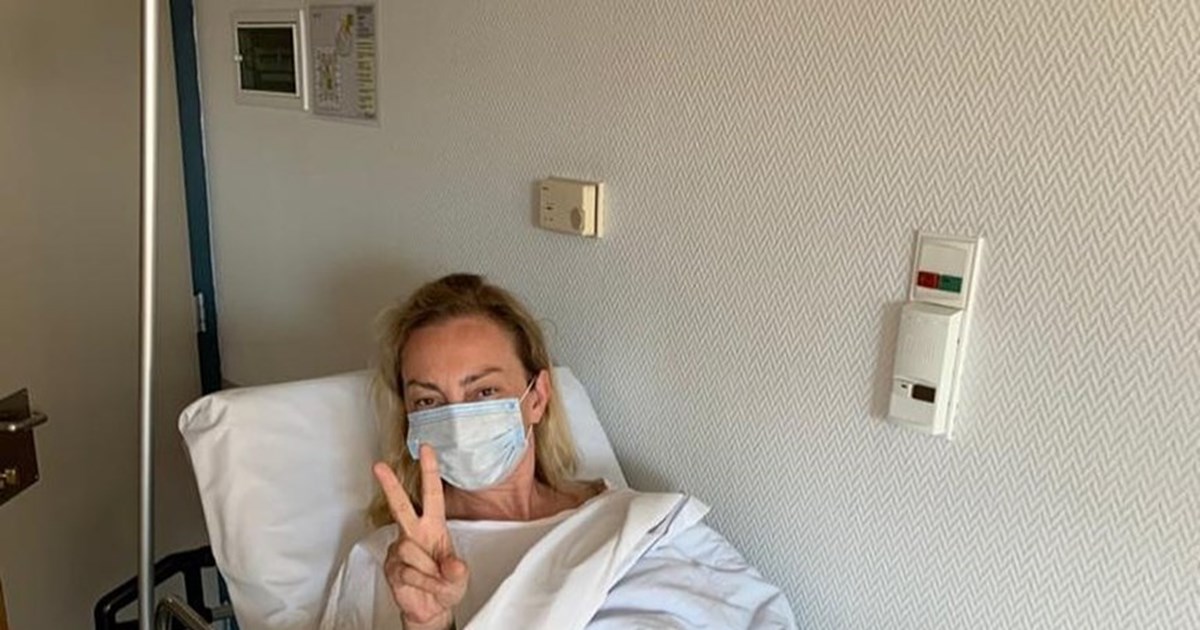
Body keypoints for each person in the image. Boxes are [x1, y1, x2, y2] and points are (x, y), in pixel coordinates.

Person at [320, 274, 796, 629]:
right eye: (428, 401)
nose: (459, 420)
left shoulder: (640, 525)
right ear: (410, 419)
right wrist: (426, 625)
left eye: (483, 392)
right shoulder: (392, 565)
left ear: (537, 398)